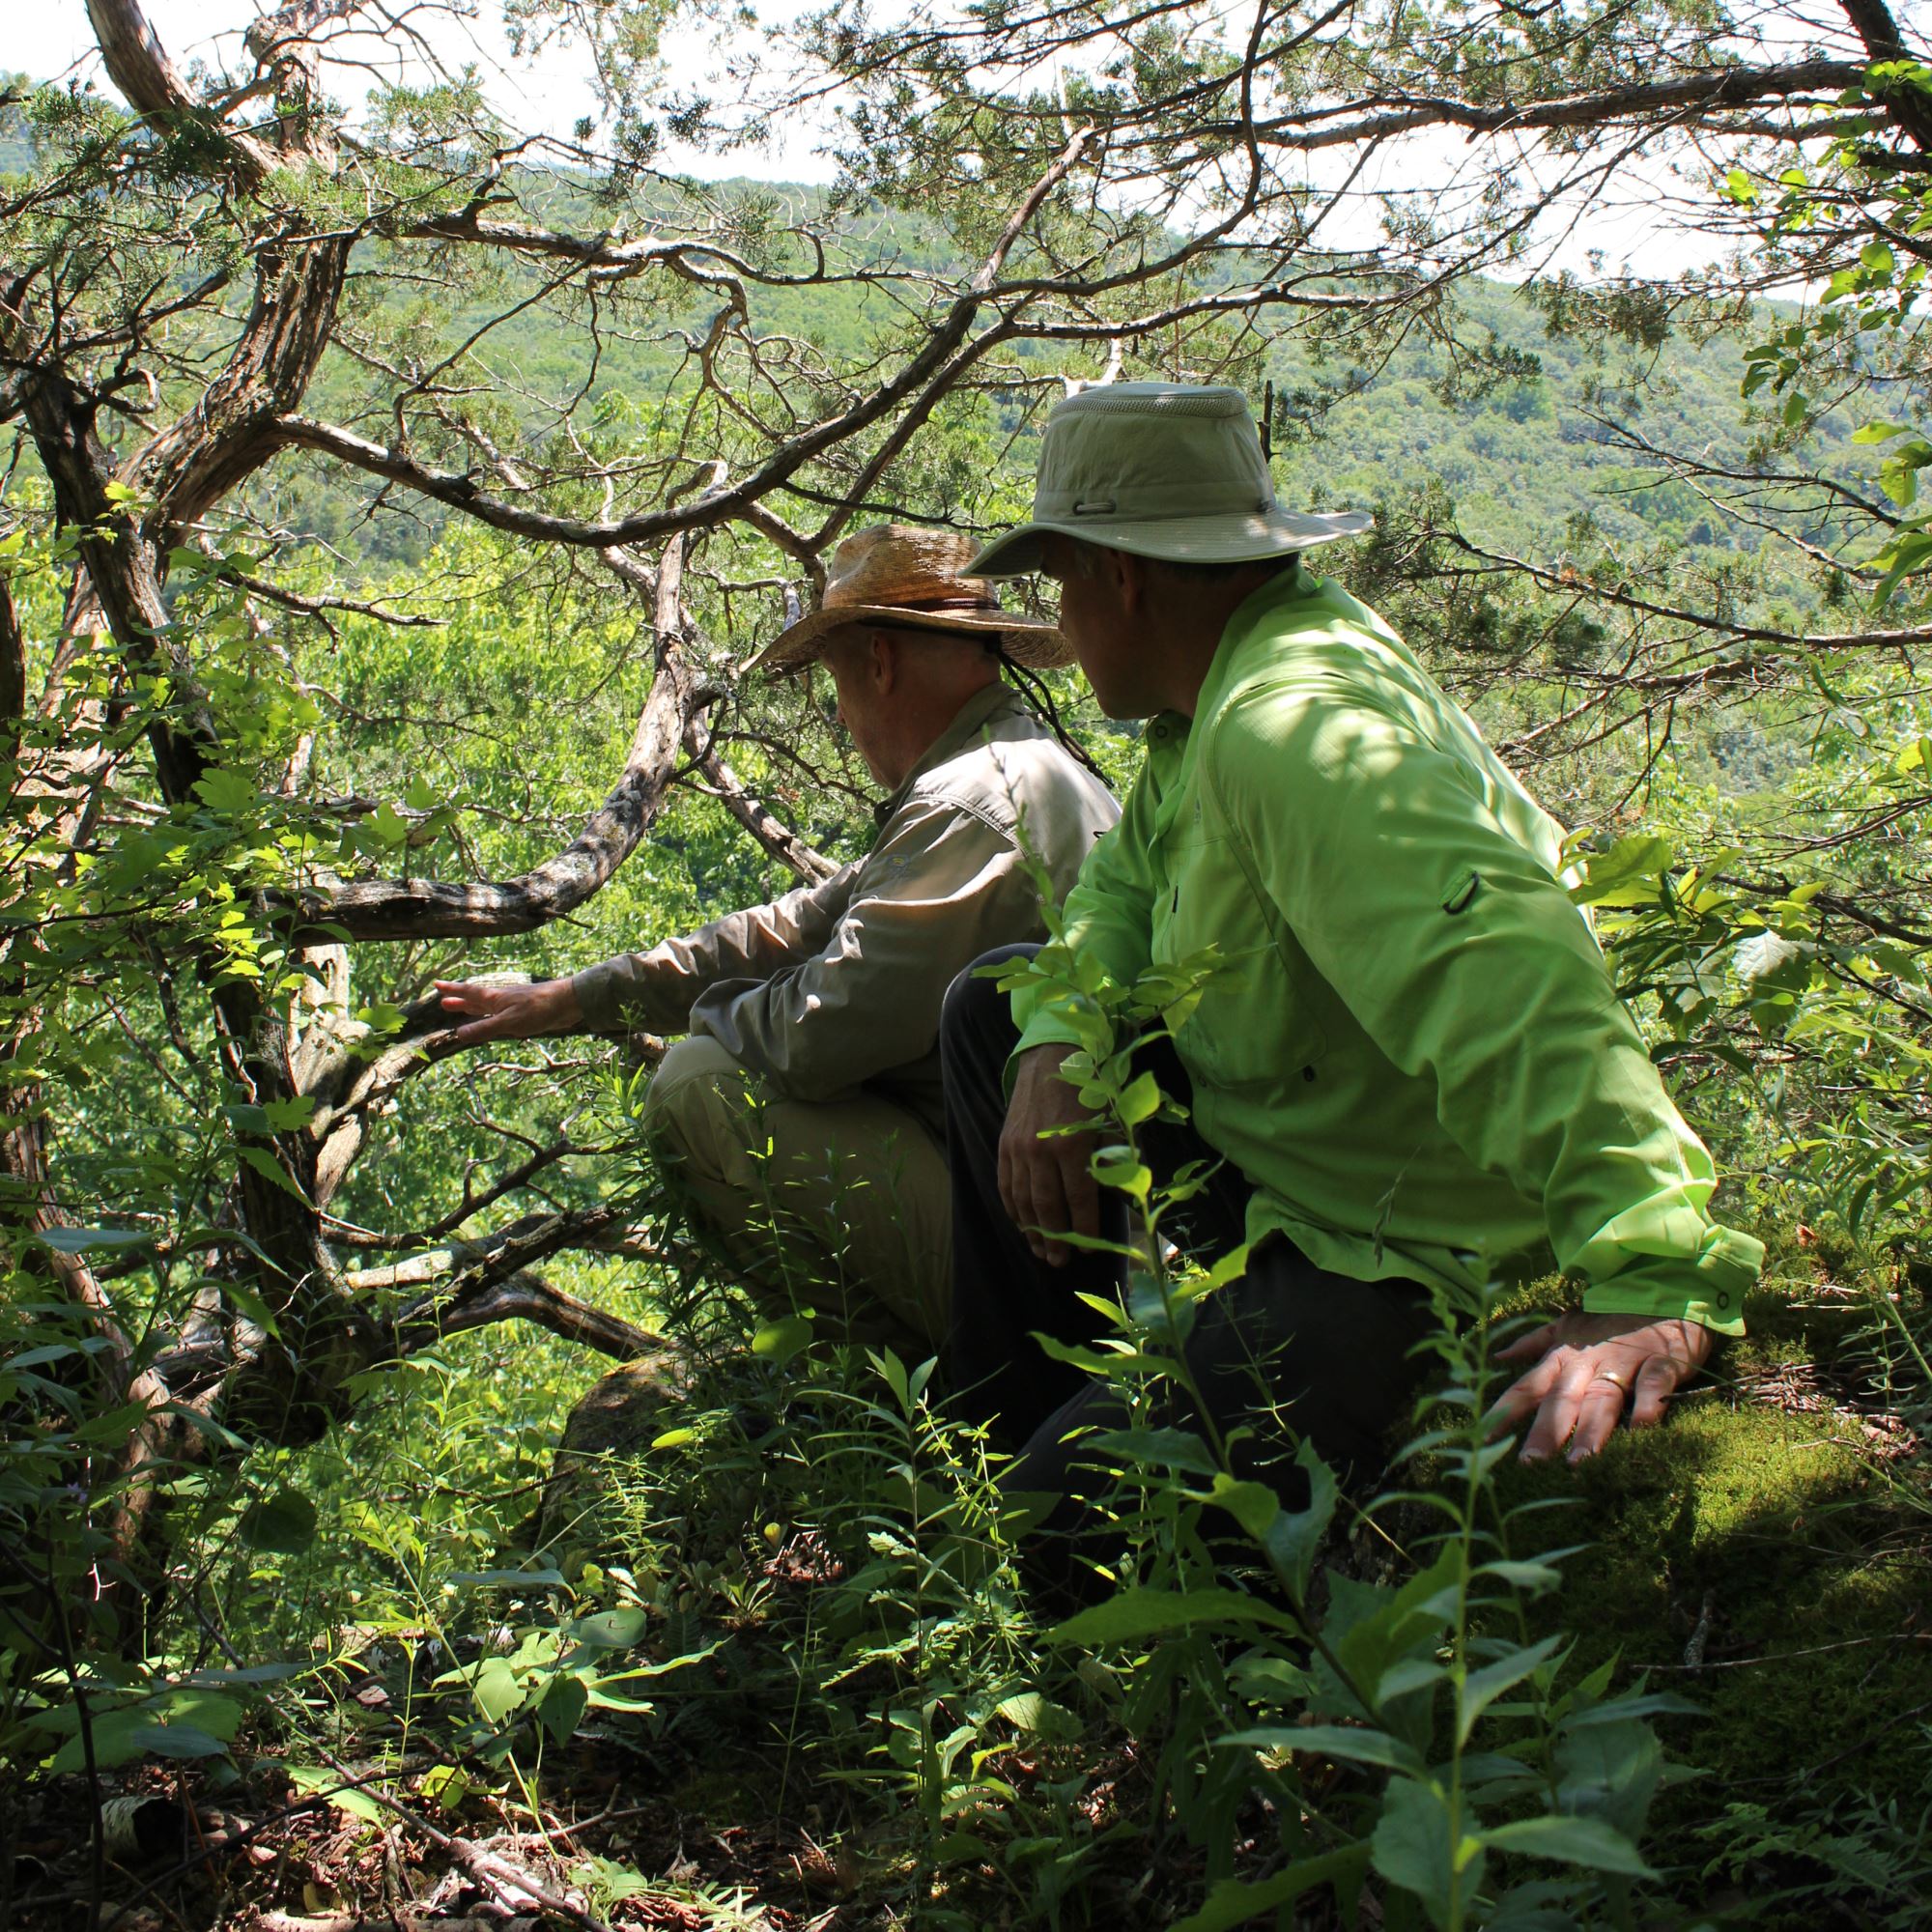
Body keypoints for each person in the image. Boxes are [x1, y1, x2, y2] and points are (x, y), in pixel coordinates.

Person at [938, 383, 1763, 1562]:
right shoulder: (1209, 695)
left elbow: (1502, 971)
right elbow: (1121, 887)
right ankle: (1025, 1416)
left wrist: (1650, 1272)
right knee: (996, 1007)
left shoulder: (1289, 730)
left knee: (1050, 1538)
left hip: (1390, 1247)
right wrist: (1060, 1036)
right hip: (1293, 1151)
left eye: (1063, 584)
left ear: (1120, 573)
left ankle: (1056, 1486)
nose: (1061, 624)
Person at [437, 525, 1120, 1350]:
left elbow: (817, 1037)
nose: (839, 712)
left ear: (879, 662)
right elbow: (793, 927)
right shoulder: (1000, 765)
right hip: (1055, 1222)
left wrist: (708, 1021)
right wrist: (575, 998)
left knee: (697, 1088)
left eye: (837, 681)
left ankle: (935, 1399)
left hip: (1049, 1270)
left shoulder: (963, 804)